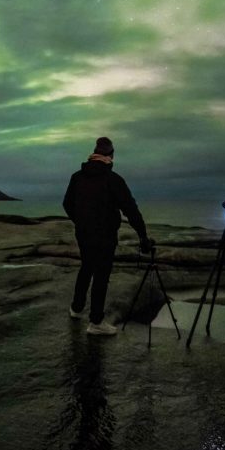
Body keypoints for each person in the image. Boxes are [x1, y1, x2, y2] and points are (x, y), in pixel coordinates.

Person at [63, 136, 152, 336]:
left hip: (83, 233)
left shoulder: (77, 177)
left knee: (86, 266)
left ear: (94, 154)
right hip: (105, 234)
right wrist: (143, 236)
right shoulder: (113, 180)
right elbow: (131, 209)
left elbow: (67, 204)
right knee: (101, 275)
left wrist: (80, 221)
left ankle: (76, 309)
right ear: (111, 155)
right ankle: (96, 322)